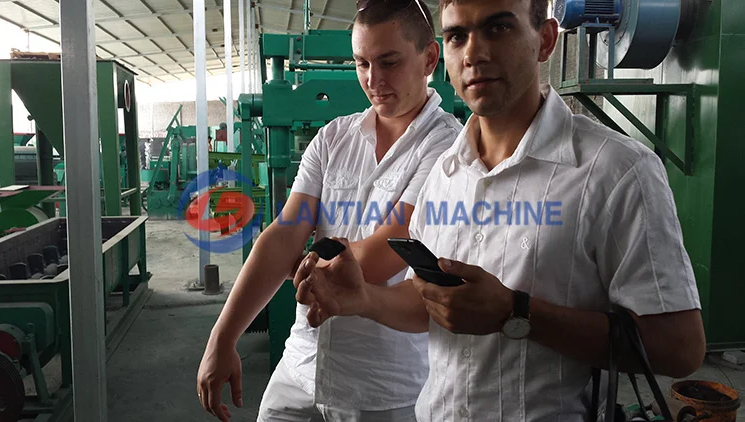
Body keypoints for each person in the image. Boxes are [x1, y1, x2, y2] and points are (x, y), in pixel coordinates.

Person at [293, 0, 707, 420]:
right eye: (457, 36)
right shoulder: (445, 174)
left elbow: (680, 348)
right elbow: (428, 301)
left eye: (499, 28)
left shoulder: (616, 171)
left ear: (545, 40)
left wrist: (517, 312)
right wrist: (365, 298)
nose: (474, 53)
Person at [196, 1, 463, 421]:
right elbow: (284, 234)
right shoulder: (334, 137)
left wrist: (299, 265)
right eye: (362, 63)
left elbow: (384, 252)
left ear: (430, 58)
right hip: (302, 363)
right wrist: (222, 336)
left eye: (389, 62)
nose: (373, 80)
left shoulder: (448, 148)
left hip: (380, 387)